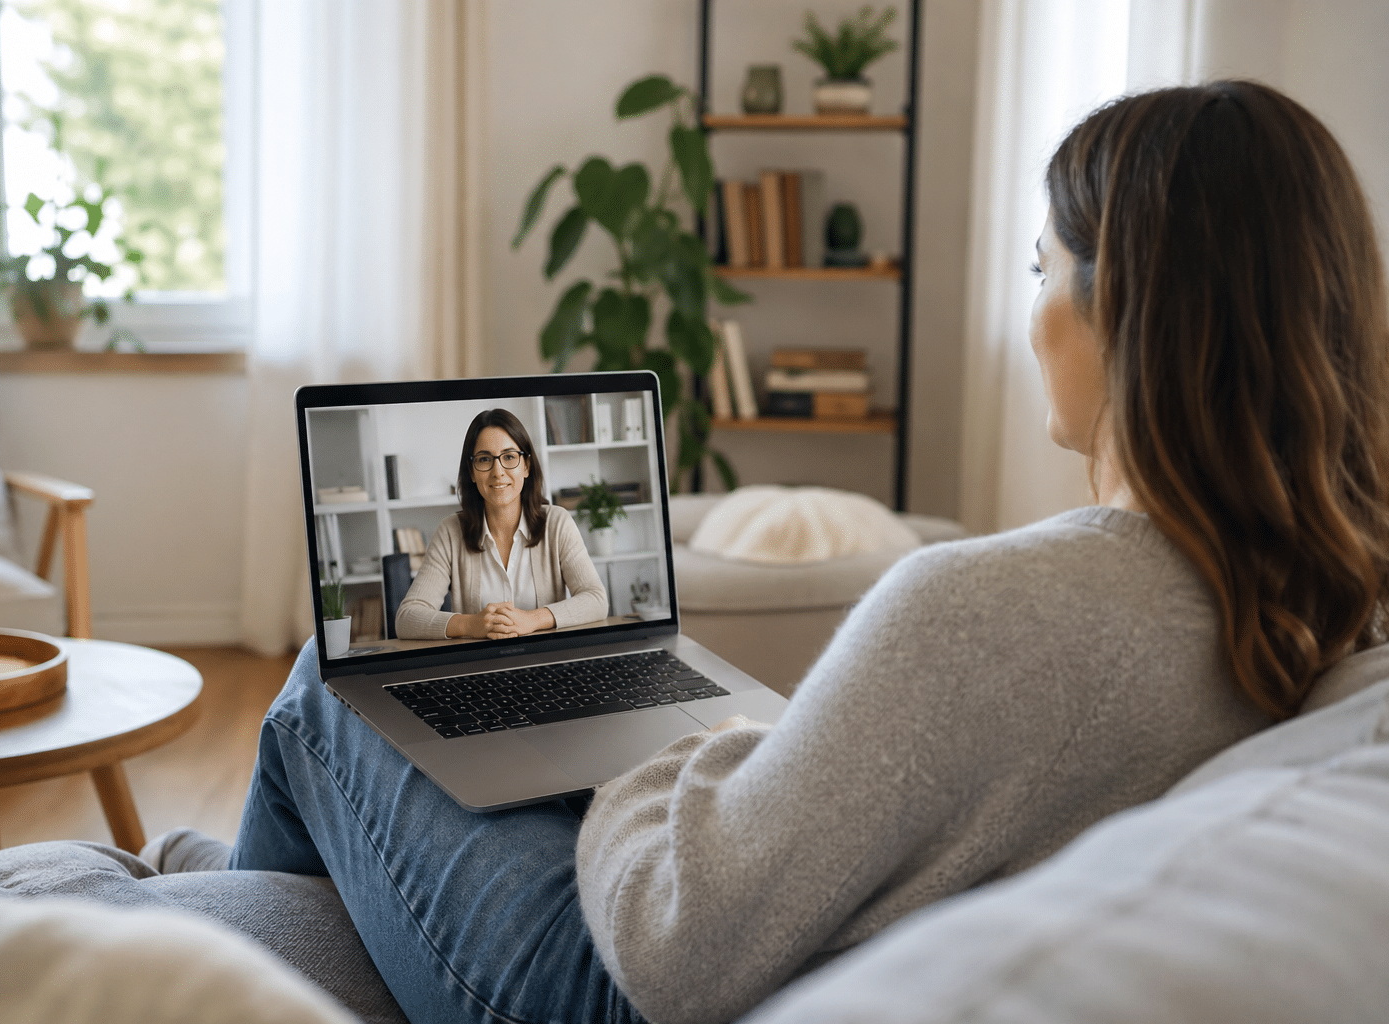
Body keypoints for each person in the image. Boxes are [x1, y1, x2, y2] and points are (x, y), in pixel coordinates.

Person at [223, 81, 1389, 1024]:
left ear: (1120, 299)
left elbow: (672, 948)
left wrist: (647, 753)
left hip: (622, 984)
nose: (1035, 312)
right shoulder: (1316, 592)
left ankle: (197, 953)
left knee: (336, 679)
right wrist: (709, 740)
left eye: (1044, 270)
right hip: (800, 921)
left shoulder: (979, 605)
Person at [393, 408, 608, 640]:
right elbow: (407, 618)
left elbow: (596, 599)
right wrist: (470, 625)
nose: (498, 472)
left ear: (526, 466)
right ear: (472, 472)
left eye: (509, 457)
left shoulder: (556, 523)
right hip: (481, 668)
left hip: (546, 662)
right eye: (485, 459)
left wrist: (532, 620)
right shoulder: (450, 532)